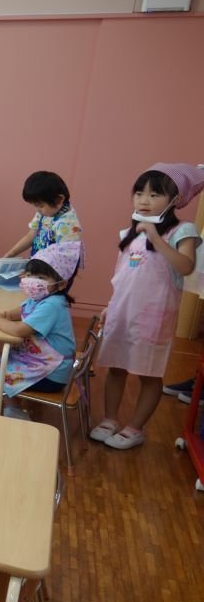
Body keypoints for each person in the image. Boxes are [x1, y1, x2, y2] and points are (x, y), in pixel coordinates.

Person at [91, 164, 204, 450]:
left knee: (149, 373)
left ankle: (135, 428)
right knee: (115, 368)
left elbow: (187, 266)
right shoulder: (128, 234)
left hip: (154, 317)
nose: (144, 199)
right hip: (122, 312)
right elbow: (123, 276)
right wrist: (110, 305)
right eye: (139, 192)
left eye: (155, 194)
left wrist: (155, 237)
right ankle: (110, 419)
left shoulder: (183, 230)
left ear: (176, 200)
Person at [0, 242, 81, 417]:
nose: (33, 281)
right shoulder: (40, 297)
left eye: (41, 277)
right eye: (31, 275)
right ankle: (15, 411)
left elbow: (20, 331)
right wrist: (5, 315)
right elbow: (22, 311)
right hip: (36, 360)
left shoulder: (53, 304)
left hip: (51, 373)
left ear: (61, 285)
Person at [1, 171, 83, 259]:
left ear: (59, 199)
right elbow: (31, 235)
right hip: (38, 265)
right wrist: (11, 254)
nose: (37, 210)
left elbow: (64, 260)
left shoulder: (68, 225)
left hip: (53, 270)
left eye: (40, 206)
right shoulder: (44, 213)